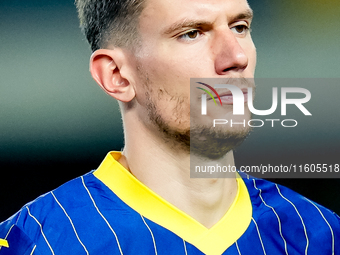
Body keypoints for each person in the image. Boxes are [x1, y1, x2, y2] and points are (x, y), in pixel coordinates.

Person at [0, 0, 339, 254]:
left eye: (240, 27)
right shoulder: (31, 241)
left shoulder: (323, 234)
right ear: (116, 75)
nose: (236, 57)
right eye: (192, 33)